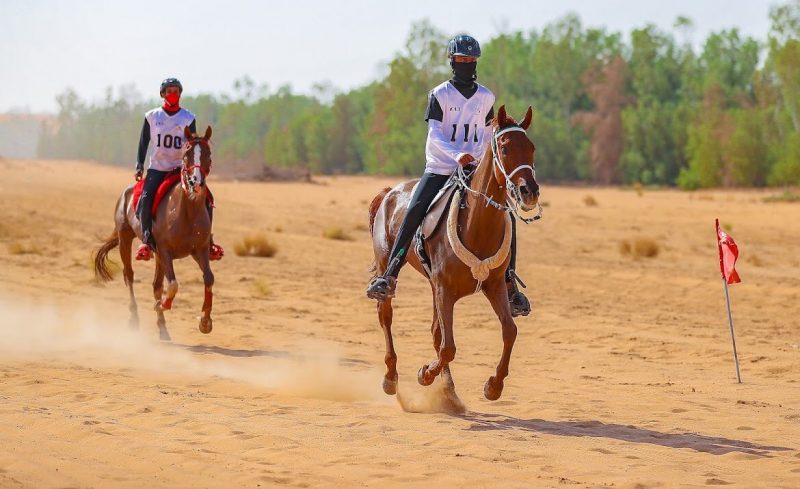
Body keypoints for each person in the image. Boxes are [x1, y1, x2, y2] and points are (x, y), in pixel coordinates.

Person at [366, 35, 530, 317]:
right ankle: (389, 274)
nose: (466, 64)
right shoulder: (439, 94)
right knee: (415, 210)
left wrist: (482, 160)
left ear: (476, 62)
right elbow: (435, 134)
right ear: (452, 62)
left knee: (507, 214)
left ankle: (510, 284)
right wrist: (456, 156)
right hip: (441, 167)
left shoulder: (486, 97)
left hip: (474, 169)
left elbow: (488, 133)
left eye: (470, 60)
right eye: (461, 60)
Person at [134, 77, 223, 261]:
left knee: (207, 197)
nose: (173, 94)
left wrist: (194, 168)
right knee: (146, 197)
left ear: (180, 94)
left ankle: (208, 241)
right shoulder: (152, 116)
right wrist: (139, 164)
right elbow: (143, 143)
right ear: (162, 94)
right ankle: (147, 241)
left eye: (176, 91)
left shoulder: (188, 117)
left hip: (179, 169)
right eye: (169, 91)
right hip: (158, 168)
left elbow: (192, 144)